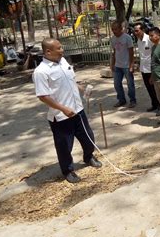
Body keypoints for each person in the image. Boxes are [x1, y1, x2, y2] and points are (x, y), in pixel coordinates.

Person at [32, 38, 102, 184]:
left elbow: (71, 81)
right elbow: (43, 96)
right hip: (61, 116)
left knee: (88, 137)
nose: (62, 50)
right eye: (59, 48)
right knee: (64, 146)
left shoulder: (63, 61)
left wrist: (82, 89)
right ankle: (68, 170)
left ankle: (88, 156)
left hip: (78, 110)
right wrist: (63, 108)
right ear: (48, 51)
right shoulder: (41, 72)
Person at [133, 22, 160, 115]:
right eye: (134, 31)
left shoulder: (149, 39)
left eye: (137, 30)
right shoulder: (138, 41)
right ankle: (154, 104)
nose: (135, 32)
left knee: (155, 89)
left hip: (151, 68)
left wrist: (154, 70)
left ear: (143, 30)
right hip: (143, 68)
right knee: (149, 88)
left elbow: (154, 54)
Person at [110, 20, 136, 108]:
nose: (114, 31)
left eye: (116, 29)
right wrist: (112, 64)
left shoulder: (127, 38)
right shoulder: (113, 39)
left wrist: (131, 65)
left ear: (121, 29)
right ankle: (121, 100)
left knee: (130, 84)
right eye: (112, 29)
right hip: (118, 65)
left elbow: (131, 52)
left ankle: (132, 100)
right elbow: (114, 52)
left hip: (126, 65)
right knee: (117, 84)